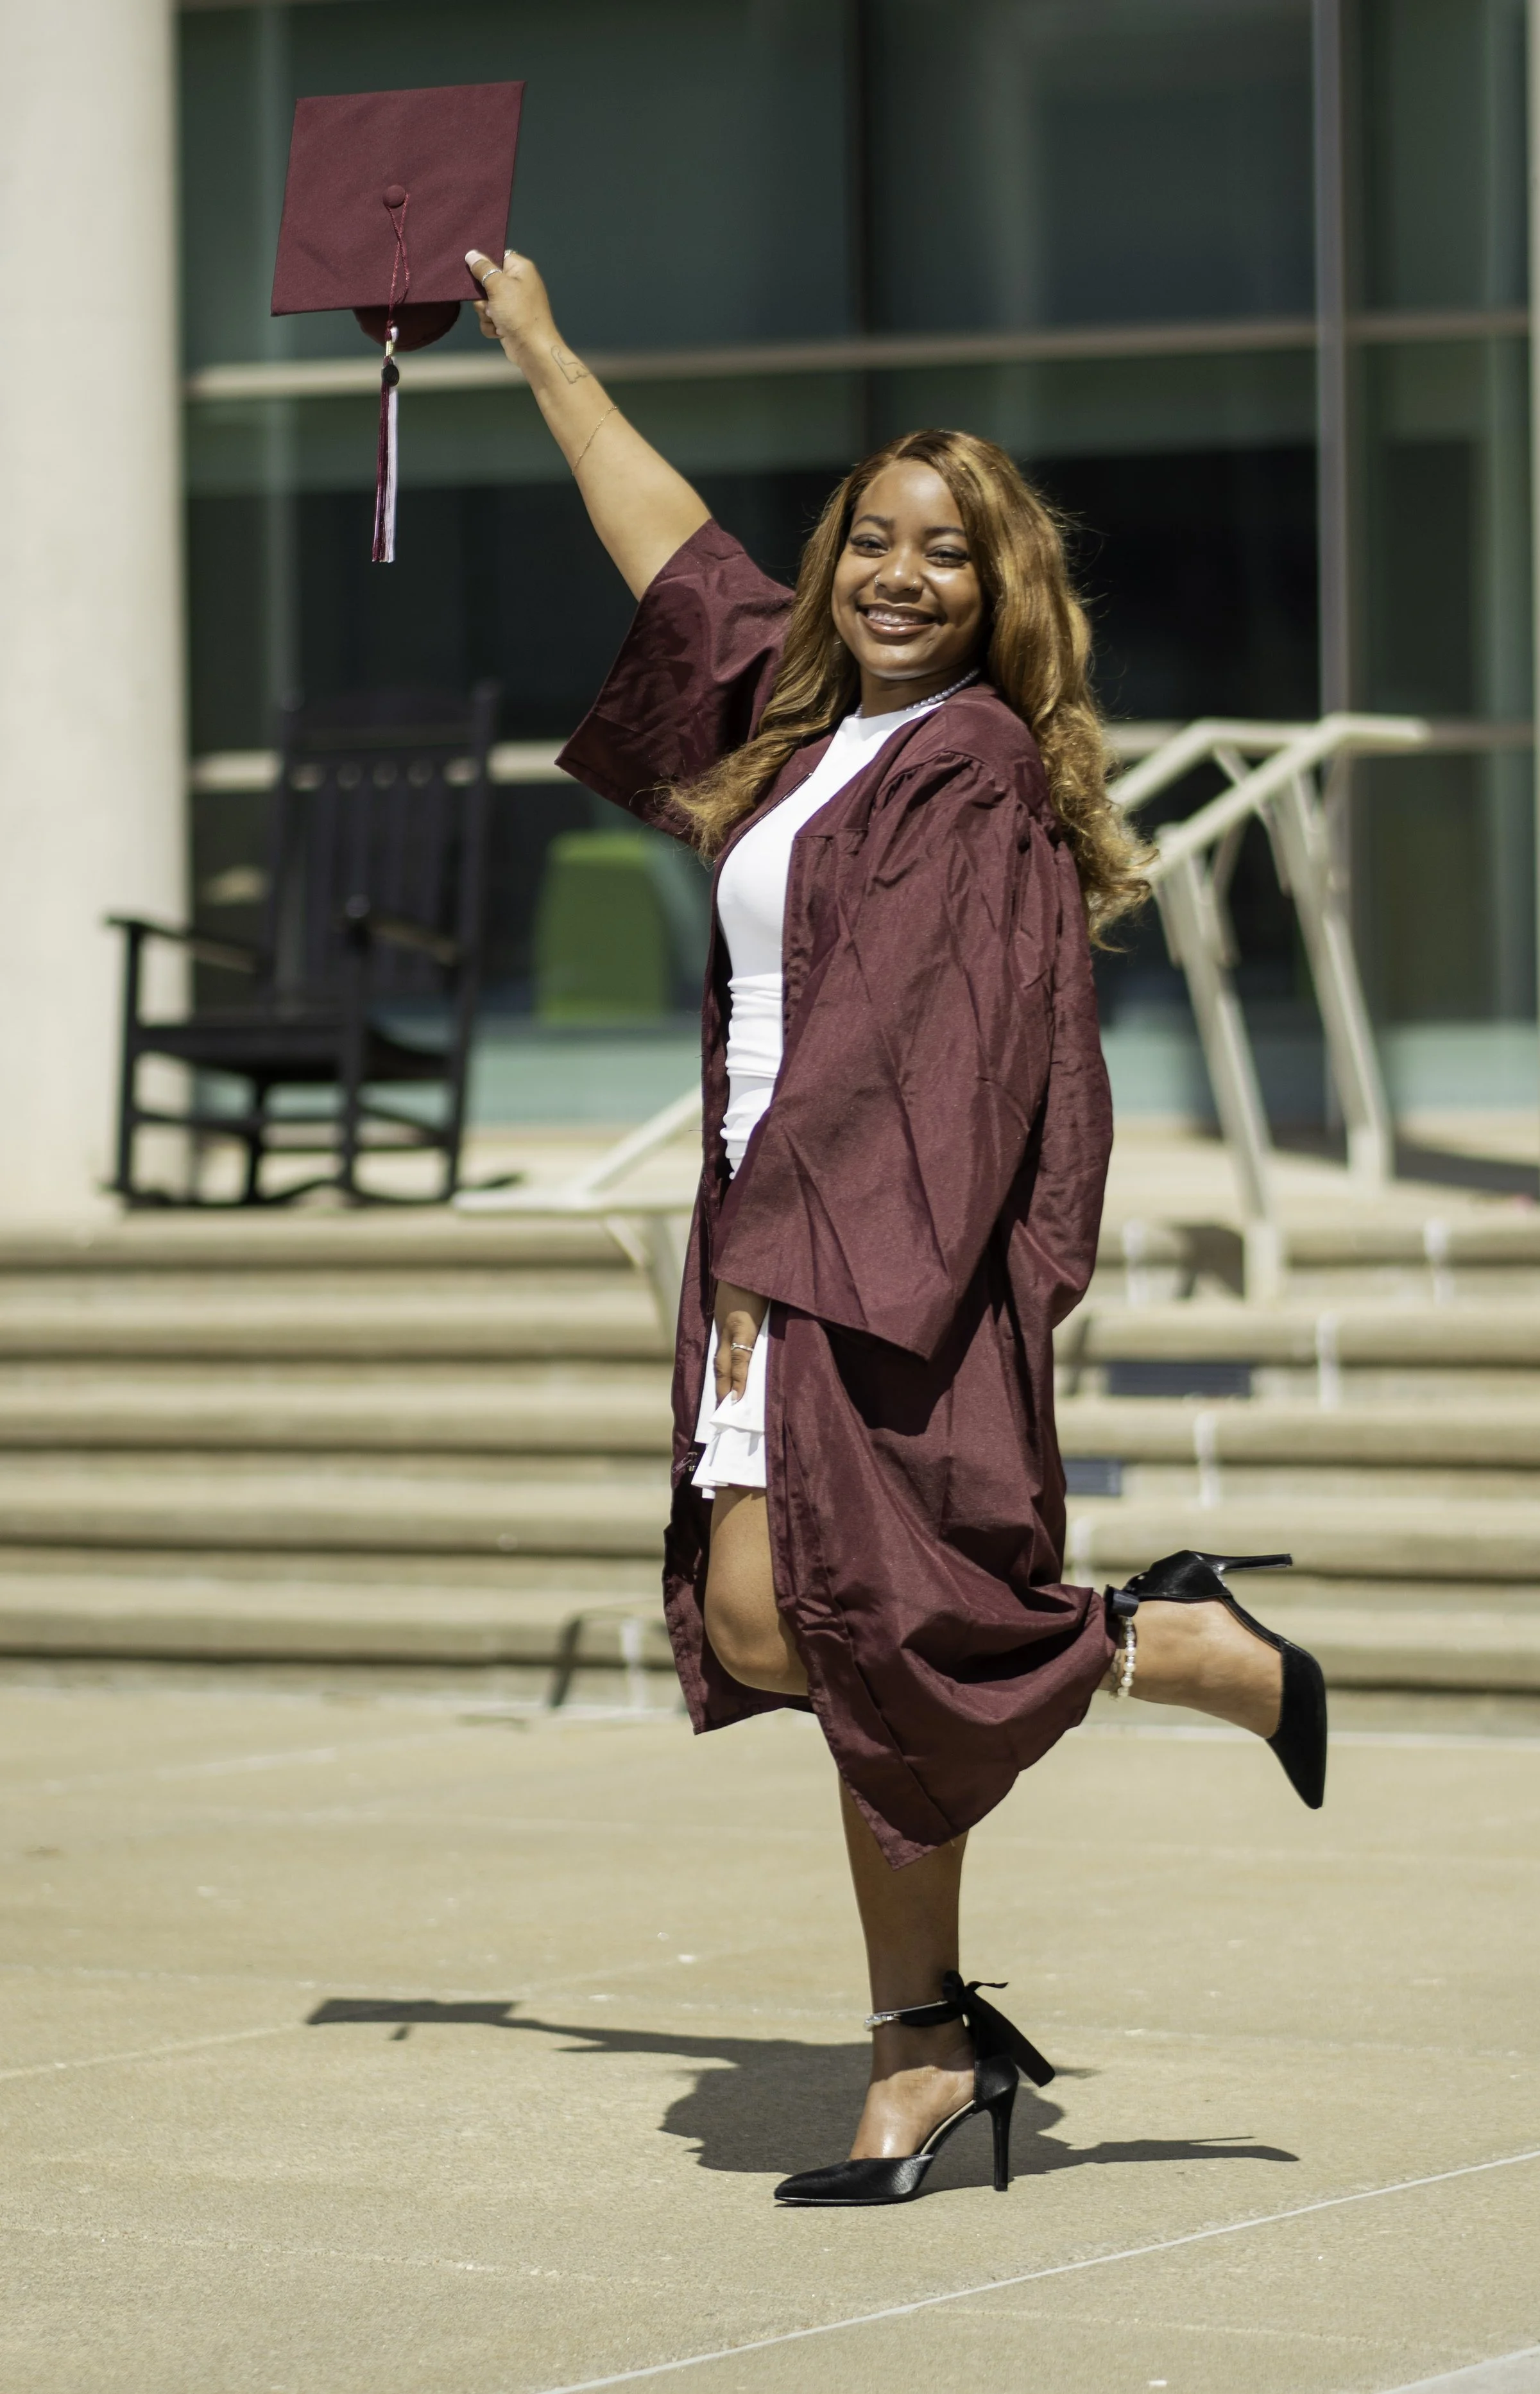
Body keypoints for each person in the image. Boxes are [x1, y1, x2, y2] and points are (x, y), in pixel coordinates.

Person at [468, 246, 1328, 2208]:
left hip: (862, 1253)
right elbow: (675, 558)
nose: (899, 576)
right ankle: (922, 2051)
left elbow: (905, 1058)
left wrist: (777, 1267)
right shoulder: (801, 724)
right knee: (826, 1652)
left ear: (997, 590)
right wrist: (538, 349)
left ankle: (1159, 1646)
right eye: (872, 539)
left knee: (807, 1621)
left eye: (946, 553)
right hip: (778, 1237)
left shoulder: (972, 763)